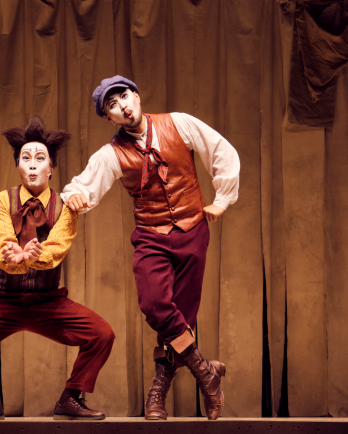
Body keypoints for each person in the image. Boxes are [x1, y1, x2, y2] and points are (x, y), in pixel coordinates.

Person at [61, 76, 240, 421]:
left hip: (193, 230)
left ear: (136, 96)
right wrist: (75, 198)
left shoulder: (179, 123)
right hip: (151, 235)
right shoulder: (111, 154)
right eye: (113, 106)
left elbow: (221, 151)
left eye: (124, 97)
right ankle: (206, 372)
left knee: (181, 318)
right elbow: (82, 187)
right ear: (108, 118)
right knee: (154, 304)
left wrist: (222, 200)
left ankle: (158, 391)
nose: (123, 107)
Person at [0, 116, 115, 421]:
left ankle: (71, 398)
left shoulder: (65, 206)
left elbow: (56, 249)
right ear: (18, 165)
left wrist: (31, 257)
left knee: (102, 334)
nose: (32, 165)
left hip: (47, 301)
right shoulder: (2, 201)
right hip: (5, 300)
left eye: (40, 158)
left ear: (51, 167)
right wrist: (13, 256)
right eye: (25, 158)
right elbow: (0, 246)